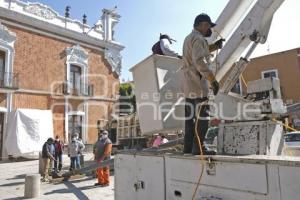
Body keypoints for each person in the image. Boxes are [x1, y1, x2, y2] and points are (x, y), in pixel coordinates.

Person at [182, 13, 224, 155]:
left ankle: (188, 148)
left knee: (190, 120)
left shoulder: (189, 38)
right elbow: (199, 60)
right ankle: (199, 148)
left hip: (188, 85)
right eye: (207, 26)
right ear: (203, 24)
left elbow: (198, 52)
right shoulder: (199, 39)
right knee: (203, 117)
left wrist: (214, 46)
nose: (208, 30)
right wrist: (212, 79)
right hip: (198, 84)